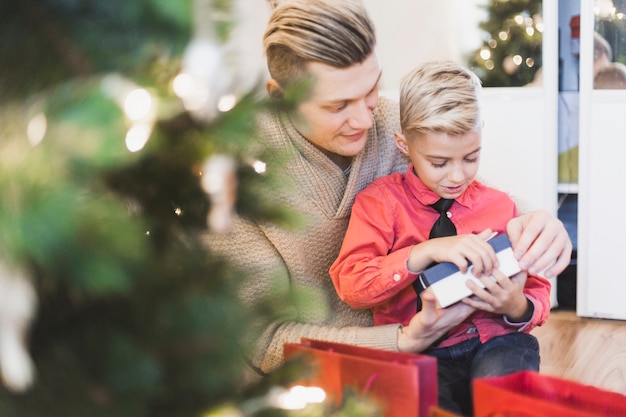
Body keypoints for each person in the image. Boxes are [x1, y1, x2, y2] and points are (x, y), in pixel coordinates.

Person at [204, 0, 571, 383]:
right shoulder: (236, 181)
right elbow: (265, 340)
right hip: (321, 375)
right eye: (338, 105)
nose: (365, 119)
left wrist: (537, 219)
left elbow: (473, 193)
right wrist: (403, 340)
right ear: (281, 97)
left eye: (372, 89)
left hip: (453, 346)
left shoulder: (394, 120)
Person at [330, 61, 552, 414]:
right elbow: (351, 284)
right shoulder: (379, 203)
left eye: (471, 157)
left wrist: (516, 307)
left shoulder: (499, 204)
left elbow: (536, 288)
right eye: (439, 162)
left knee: (507, 393)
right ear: (403, 145)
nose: (457, 175)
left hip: (495, 342)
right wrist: (423, 252)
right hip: (422, 351)